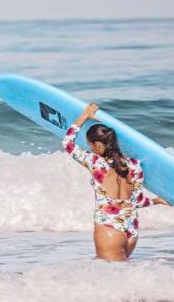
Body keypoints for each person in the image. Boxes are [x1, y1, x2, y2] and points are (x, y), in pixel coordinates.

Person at [63, 103, 168, 261]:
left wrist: (84, 116)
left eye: (90, 145)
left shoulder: (95, 162)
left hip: (110, 226)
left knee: (108, 278)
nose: (90, 149)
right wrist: (158, 201)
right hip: (131, 227)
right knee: (123, 274)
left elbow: (68, 143)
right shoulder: (134, 165)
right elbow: (137, 201)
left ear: (98, 145)